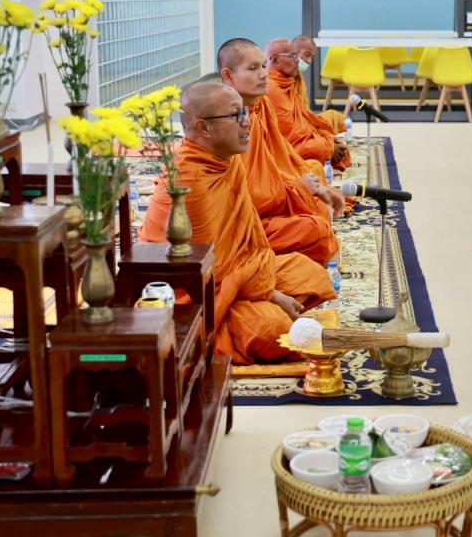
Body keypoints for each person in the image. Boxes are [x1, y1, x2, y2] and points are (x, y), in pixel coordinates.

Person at [138, 81, 336, 365]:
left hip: (240, 279)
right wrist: (271, 294)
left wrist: (264, 285)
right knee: (273, 328)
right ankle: (243, 321)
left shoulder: (227, 161)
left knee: (311, 275)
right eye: (236, 115)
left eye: (244, 112)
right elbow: (209, 273)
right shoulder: (188, 182)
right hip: (197, 297)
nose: (246, 122)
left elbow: (245, 241)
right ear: (203, 127)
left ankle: (261, 305)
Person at [217, 37, 343, 264]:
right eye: (253, 68)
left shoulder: (261, 104)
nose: (263, 74)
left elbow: (282, 150)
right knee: (316, 230)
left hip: (274, 195)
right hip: (247, 223)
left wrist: (303, 183)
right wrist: (298, 189)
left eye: (263, 66)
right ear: (228, 76)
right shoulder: (226, 121)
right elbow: (251, 198)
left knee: (314, 179)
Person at [265, 38, 351, 171]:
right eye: (293, 55)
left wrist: (326, 138)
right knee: (319, 149)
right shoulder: (272, 88)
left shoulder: (288, 80)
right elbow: (288, 135)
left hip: (300, 137)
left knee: (333, 122)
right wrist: (327, 145)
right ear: (275, 60)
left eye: (296, 55)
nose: (298, 60)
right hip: (285, 148)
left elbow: (303, 117)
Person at [292, 34, 347, 134]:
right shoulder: (279, 79)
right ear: (293, 52)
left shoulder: (298, 76)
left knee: (335, 117)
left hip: (303, 121)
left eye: (312, 57)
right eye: (307, 55)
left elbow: (304, 109)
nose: (309, 61)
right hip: (293, 127)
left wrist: (311, 121)